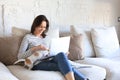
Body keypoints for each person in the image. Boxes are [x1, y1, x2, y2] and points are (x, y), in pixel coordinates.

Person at [18, 15, 88, 80]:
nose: (42, 29)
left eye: (44, 27)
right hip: (38, 62)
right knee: (63, 66)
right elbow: (20, 56)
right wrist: (35, 48)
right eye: (40, 26)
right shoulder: (28, 37)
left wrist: (64, 53)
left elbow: (52, 50)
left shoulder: (47, 38)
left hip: (51, 58)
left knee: (61, 54)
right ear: (35, 25)